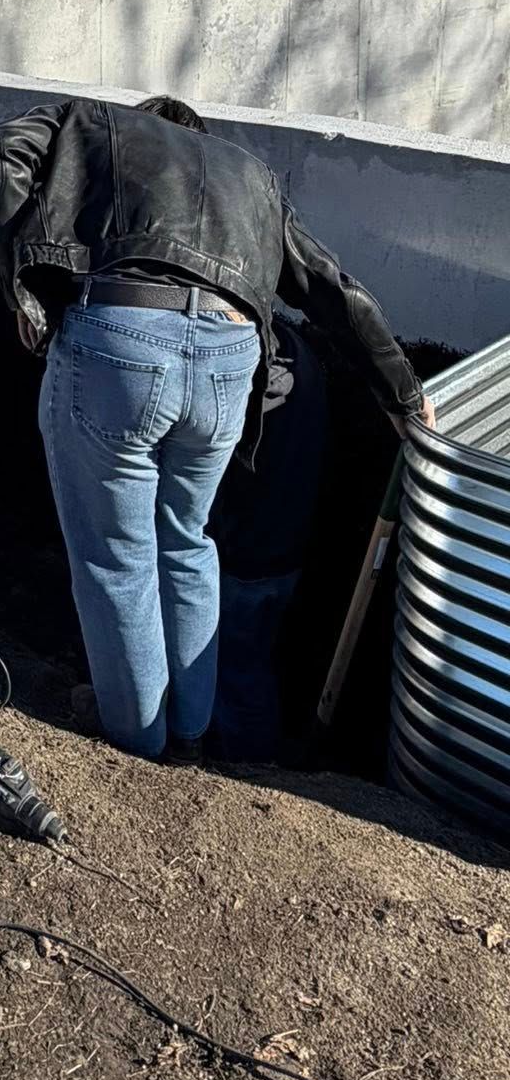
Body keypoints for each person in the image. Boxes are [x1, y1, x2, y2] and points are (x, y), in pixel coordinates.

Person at [0, 90, 432, 764]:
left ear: (143, 127)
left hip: (121, 335)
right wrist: (403, 394)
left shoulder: (100, 124)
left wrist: (27, 283)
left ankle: (137, 740)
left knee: (115, 559)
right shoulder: (250, 175)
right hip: (230, 356)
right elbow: (334, 287)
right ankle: (189, 730)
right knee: (187, 544)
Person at [209, 309, 329, 761]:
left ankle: (245, 766)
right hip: (285, 550)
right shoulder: (300, 353)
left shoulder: (258, 372)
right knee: (251, 665)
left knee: (236, 672)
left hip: (246, 560)